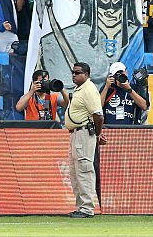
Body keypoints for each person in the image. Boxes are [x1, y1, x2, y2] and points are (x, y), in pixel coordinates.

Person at [65, 61, 105, 219]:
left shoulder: (89, 90)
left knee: (84, 170)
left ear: (86, 75)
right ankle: (81, 207)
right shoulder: (80, 89)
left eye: (77, 73)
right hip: (76, 133)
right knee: (75, 172)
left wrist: (97, 133)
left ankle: (87, 208)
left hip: (84, 133)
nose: (74, 75)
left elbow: (98, 114)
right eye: (73, 72)